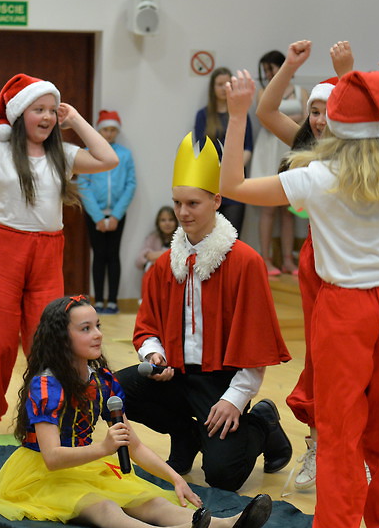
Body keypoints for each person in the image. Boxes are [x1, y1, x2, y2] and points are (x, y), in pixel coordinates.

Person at [221, 61, 379, 528]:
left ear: (331, 123)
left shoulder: (316, 176)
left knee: (339, 435)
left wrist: (237, 115)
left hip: (347, 310)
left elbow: (233, 187)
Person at [0, 295, 273, 528]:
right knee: (105, 508)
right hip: (41, 475)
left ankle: (226, 527)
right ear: (61, 338)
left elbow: (134, 446)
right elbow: (52, 458)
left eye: (97, 326)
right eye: (85, 329)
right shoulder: (47, 386)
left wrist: (175, 478)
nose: (98, 334)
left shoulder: (102, 381)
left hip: (85, 464)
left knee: (150, 499)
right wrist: (104, 448)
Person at [0, 74, 118, 437]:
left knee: (46, 339)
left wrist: (76, 119)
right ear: (20, 115)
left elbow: (108, 158)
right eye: (38, 109)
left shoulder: (63, 155)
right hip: (1, 248)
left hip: (47, 251)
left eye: (52, 110)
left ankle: (42, 419)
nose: (47, 117)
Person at [115, 133, 292, 493]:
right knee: (114, 390)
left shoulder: (245, 262)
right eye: (177, 203)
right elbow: (147, 327)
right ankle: (186, 435)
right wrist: (154, 354)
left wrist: (235, 399)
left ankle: (263, 422)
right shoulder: (165, 264)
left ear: (216, 200)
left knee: (223, 476)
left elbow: (255, 343)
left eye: (193, 203)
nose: (183, 213)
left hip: (221, 381)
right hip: (177, 375)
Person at [254, 39, 353, 493]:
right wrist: (291, 67)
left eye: (328, 110)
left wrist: (347, 73)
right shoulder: (309, 149)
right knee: (319, 358)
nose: (319, 119)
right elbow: (266, 111)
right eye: (314, 111)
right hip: (317, 259)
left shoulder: (365, 153)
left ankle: (355, 450)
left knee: (352, 361)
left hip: (354, 264)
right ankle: (318, 444)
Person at [250, 50, 307, 276]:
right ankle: (265, 259)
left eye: (270, 68)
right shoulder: (263, 92)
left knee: (289, 209)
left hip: (291, 150)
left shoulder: (301, 92)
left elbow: (307, 120)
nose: (267, 73)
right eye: (264, 70)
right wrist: (293, 119)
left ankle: (288, 260)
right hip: (269, 151)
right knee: (268, 209)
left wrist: (292, 120)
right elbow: (265, 120)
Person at [78, 110, 136, 314]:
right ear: (99, 130)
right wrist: (98, 217)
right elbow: (83, 185)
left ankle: (112, 301)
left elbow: (130, 184)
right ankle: (98, 300)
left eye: (113, 130)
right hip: (95, 215)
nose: (109, 134)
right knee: (99, 255)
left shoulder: (125, 155)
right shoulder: (88, 153)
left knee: (113, 255)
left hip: (117, 215)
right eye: (105, 130)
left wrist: (115, 215)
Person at [192, 66, 253, 232]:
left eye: (228, 84)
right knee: (209, 234)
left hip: (236, 182)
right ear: (213, 87)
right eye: (219, 84)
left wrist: (232, 169)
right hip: (211, 182)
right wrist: (219, 171)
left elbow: (248, 147)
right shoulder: (203, 115)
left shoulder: (241, 113)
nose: (224, 88)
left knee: (233, 234)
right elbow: (201, 149)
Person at [135, 206, 177, 301]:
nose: (167, 223)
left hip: (174, 276)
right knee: (151, 268)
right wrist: (148, 255)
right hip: (155, 277)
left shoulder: (181, 238)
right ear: (158, 223)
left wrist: (160, 255)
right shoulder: (153, 238)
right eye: (163, 220)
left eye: (171, 220)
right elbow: (138, 262)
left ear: (176, 221)